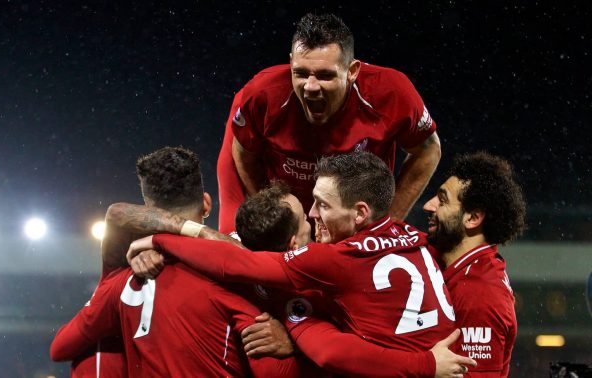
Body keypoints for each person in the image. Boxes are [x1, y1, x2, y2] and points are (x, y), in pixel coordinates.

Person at [130, 152, 458, 361]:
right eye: (310, 206)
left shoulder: (332, 260)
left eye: (323, 205)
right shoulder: (417, 238)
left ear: (360, 213)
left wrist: (161, 240)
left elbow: (234, 263)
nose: (314, 214)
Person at [50, 147, 296, 376]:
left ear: (148, 211)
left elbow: (59, 348)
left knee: (93, 353)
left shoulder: (123, 277)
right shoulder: (236, 269)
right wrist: (293, 338)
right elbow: (274, 369)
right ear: (207, 204)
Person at [217, 13, 441, 233]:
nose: (311, 87)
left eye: (325, 76)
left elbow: (428, 150)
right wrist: (274, 214)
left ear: (352, 72)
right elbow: (244, 152)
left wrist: (386, 224)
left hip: (354, 211)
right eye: (301, 73)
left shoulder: (392, 94)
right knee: (231, 238)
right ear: (290, 64)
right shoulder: (262, 95)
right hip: (288, 200)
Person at [422, 151, 526, 377]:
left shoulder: (481, 293)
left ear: (472, 218)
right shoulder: (456, 265)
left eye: (442, 200)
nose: (428, 206)